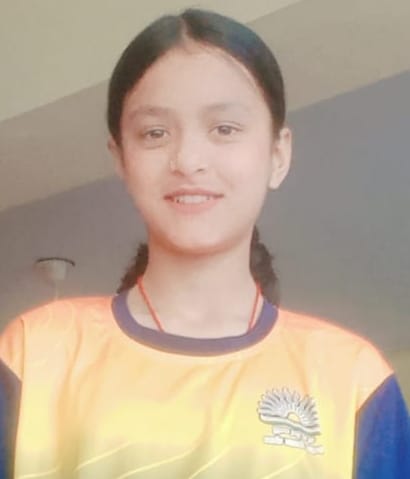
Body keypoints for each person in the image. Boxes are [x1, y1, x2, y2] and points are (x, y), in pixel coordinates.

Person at [0, 8, 409, 479]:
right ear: (121, 159)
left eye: (224, 129)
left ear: (278, 154)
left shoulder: (353, 381)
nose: (189, 159)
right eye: (155, 133)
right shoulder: (35, 353)